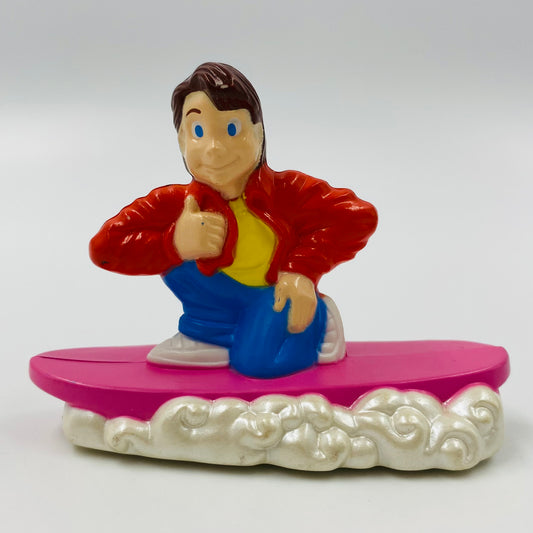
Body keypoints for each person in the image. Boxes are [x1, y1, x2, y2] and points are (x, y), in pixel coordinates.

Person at [89, 62, 378, 378]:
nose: (214, 149)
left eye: (231, 130)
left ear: (258, 132)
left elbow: (357, 216)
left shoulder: (287, 191)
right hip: (215, 302)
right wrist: (173, 243)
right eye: (198, 132)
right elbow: (105, 248)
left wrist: (301, 270)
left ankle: (319, 325)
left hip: (273, 297)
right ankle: (208, 335)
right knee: (172, 255)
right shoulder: (176, 203)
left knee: (257, 365)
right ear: (182, 140)